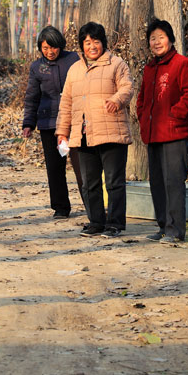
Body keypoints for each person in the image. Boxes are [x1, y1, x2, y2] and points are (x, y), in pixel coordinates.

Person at [56, 22, 133, 239]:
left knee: (114, 182)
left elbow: (127, 87)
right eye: (87, 42)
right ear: (82, 45)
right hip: (83, 135)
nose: (92, 46)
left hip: (112, 133)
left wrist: (117, 100)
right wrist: (62, 132)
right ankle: (96, 221)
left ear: (103, 43)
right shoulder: (75, 69)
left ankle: (115, 223)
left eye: (96, 42)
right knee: (89, 183)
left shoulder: (117, 64)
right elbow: (66, 103)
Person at [136, 19, 188, 244]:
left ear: (171, 39)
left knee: (174, 182)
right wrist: (143, 117)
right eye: (153, 38)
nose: (156, 42)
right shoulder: (150, 68)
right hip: (153, 134)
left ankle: (175, 231)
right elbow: (142, 98)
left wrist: (175, 114)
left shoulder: (181, 64)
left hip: (175, 134)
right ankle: (163, 226)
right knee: (157, 183)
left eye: (161, 37)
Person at [22, 25, 84, 218]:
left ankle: (92, 206)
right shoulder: (37, 67)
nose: (50, 52)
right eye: (45, 48)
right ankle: (60, 208)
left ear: (61, 45)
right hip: (49, 124)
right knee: (55, 168)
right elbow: (32, 97)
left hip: (74, 122)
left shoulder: (74, 60)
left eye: (53, 47)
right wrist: (28, 123)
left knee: (82, 167)